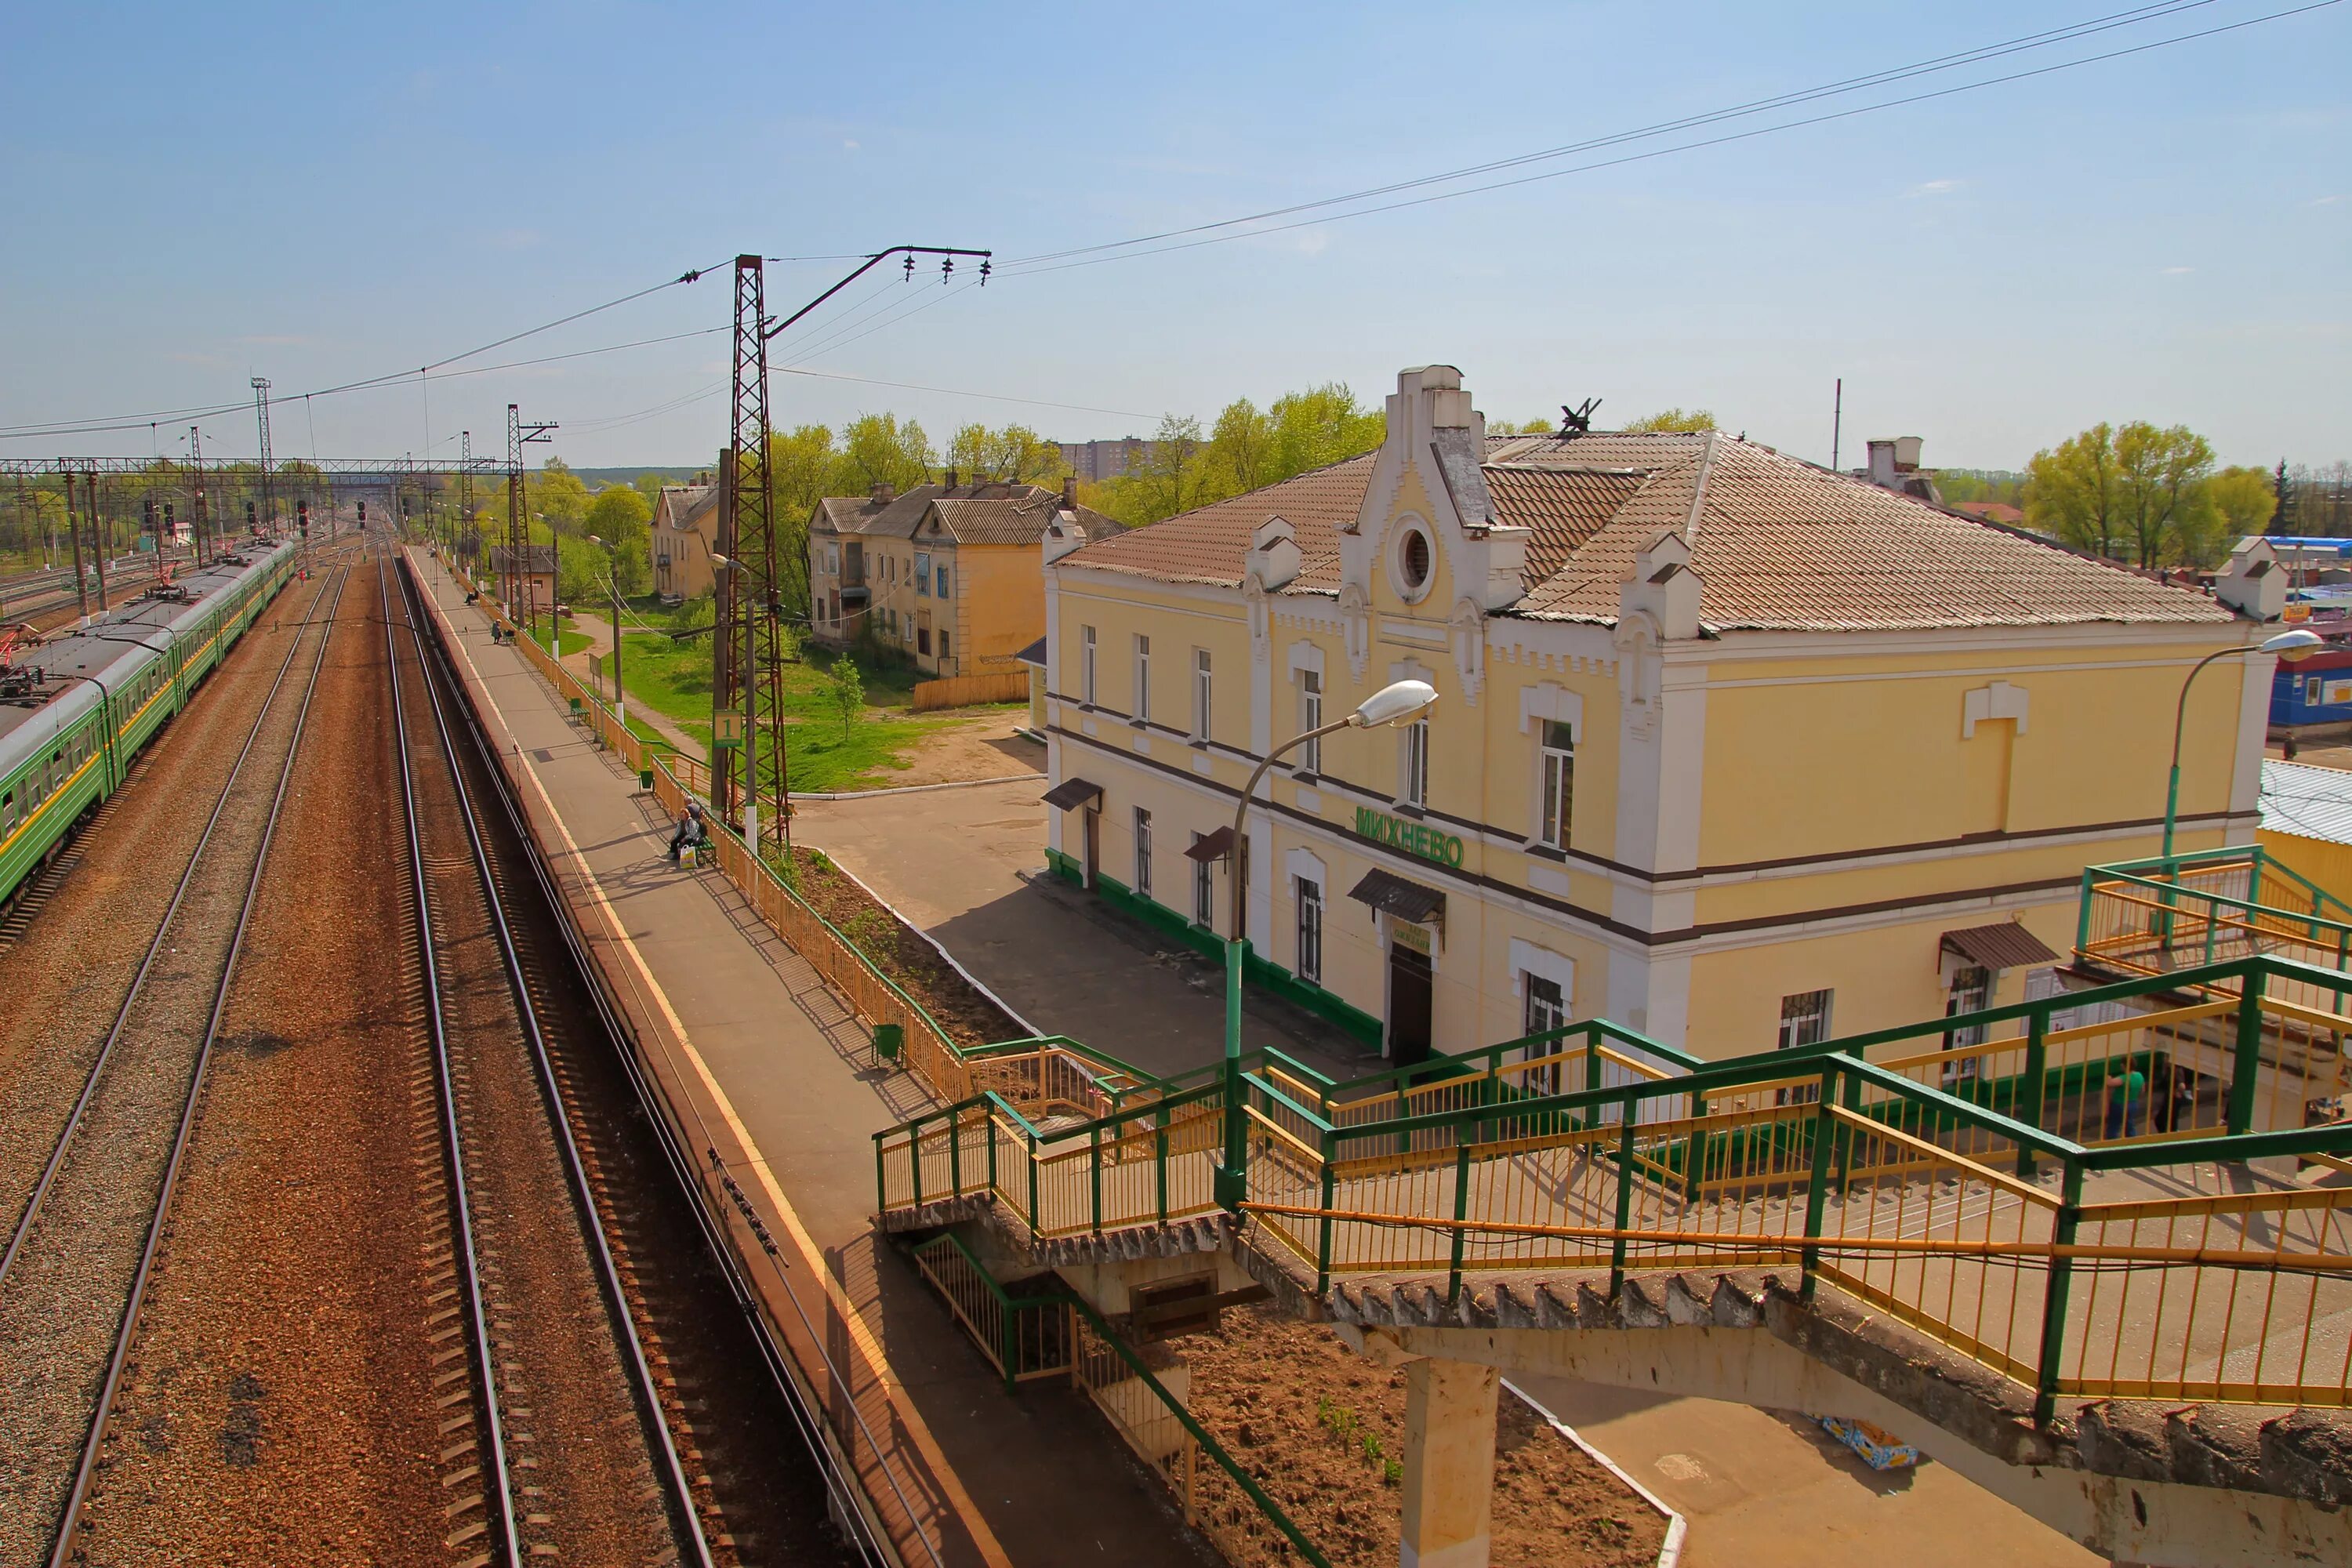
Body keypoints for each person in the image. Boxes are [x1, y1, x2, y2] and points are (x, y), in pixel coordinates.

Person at [2104, 1058, 2147, 1141]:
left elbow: (2109, 1083)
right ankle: (2132, 1142)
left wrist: (2108, 1078)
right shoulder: (2139, 1076)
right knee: (2129, 1125)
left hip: (2120, 1105)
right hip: (2133, 1104)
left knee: (2114, 1125)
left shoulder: (2124, 1078)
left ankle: (2111, 1143)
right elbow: (2142, 1091)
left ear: (2123, 1066)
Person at [668, 799, 710, 864]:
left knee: (684, 843)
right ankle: (676, 855)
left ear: (686, 815)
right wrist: (675, 836)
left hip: (693, 837)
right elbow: (678, 830)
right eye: (680, 816)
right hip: (686, 834)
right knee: (674, 841)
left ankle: (685, 857)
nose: (681, 817)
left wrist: (685, 838)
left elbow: (693, 833)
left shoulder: (691, 822)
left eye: (682, 816)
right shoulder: (681, 822)